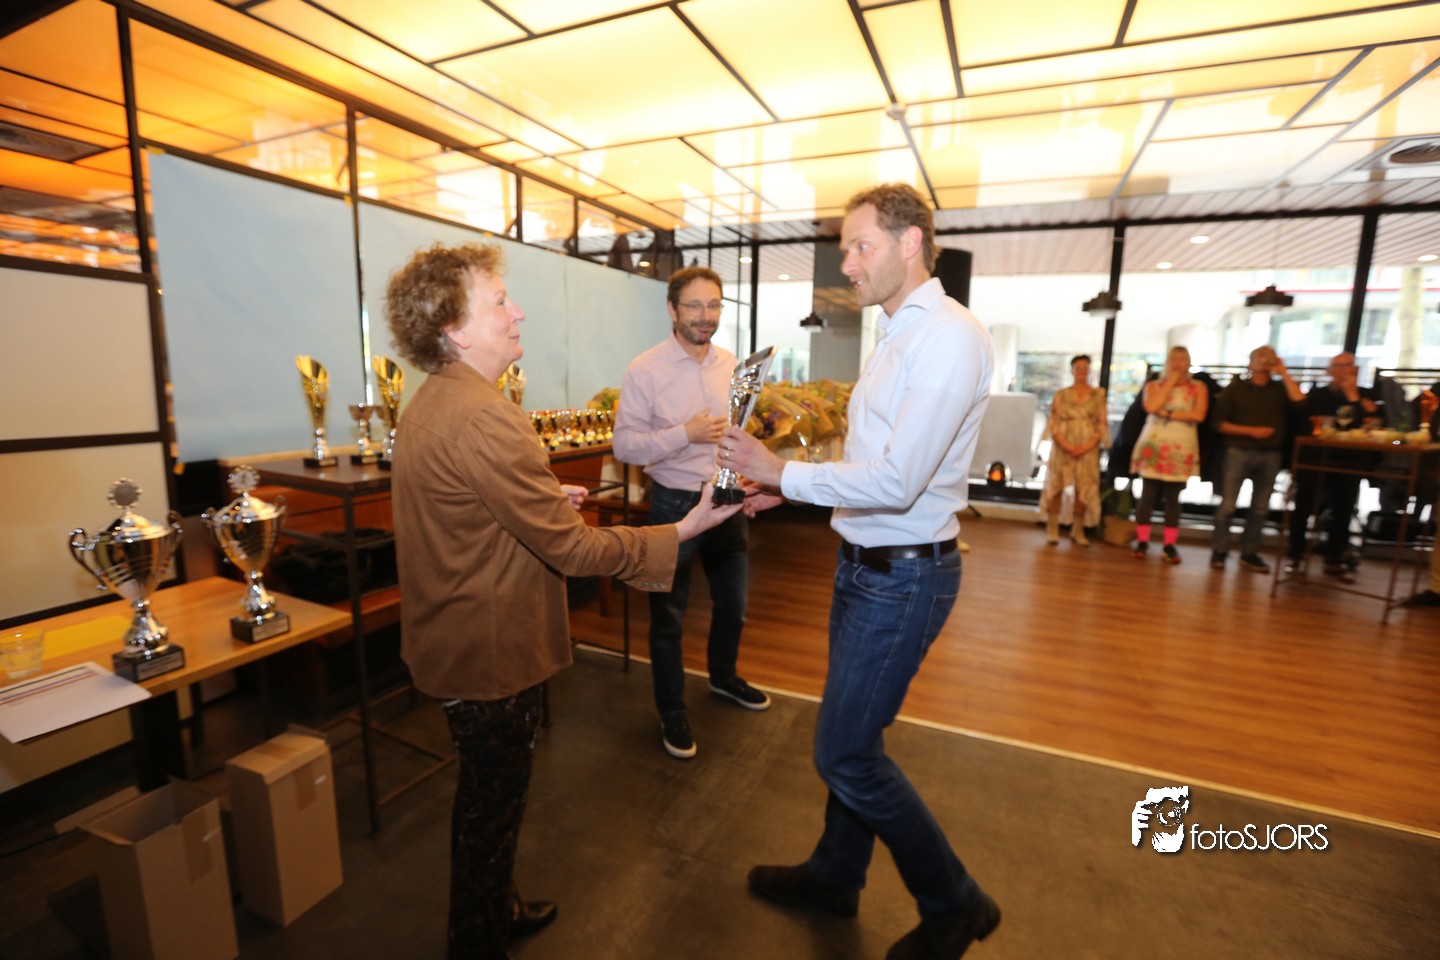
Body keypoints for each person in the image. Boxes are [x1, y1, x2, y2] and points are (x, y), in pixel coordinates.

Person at [385, 242, 741, 960]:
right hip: (489, 651)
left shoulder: (437, 401)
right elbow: (574, 553)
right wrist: (680, 531)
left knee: (486, 801)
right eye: (498, 301)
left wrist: (546, 497)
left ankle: (497, 906)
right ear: (454, 328)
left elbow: (469, 507)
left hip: (453, 637)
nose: (517, 311)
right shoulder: (485, 415)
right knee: (491, 808)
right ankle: (478, 940)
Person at [721, 183, 1000, 960]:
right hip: (866, 565)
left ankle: (954, 903)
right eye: (845, 248)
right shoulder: (901, 333)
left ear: (910, 243)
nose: (846, 263)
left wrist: (780, 471)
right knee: (857, 736)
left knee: (844, 752)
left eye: (859, 246)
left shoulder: (947, 337)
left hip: (902, 579)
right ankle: (836, 875)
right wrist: (792, 491)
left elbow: (900, 482)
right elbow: (871, 461)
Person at [612, 266, 770, 761]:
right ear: (672, 310)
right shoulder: (645, 369)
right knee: (668, 621)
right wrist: (686, 433)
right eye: (695, 305)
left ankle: (723, 678)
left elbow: (738, 432)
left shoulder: (733, 366)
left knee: (734, 607)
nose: (706, 315)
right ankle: (672, 711)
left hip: (726, 501)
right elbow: (625, 446)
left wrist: (752, 474)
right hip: (673, 506)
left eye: (715, 305)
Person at [1285, 352, 1382, 581]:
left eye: (1348, 365)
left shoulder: (1365, 395)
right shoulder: (1317, 394)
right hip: (1316, 459)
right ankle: (1295, 555)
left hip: (1349, 461)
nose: (1344, 370)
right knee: (1303, 507)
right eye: (1338, 366)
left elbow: (1371, 423)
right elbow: (1303, 419)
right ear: (1329, 370)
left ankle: (1334, 558)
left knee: (1343, 510)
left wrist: (1352, 395)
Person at [1209, 346, 1303, 572]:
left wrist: (1283, 372)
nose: (1264, 360)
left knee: (1260, 507)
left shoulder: (1280, 389)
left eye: (1269, 356)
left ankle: (1249, 553)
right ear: (1250, 362)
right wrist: (1250, 431)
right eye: (1260, 356)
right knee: (1228, 505)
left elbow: (1301, 403)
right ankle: (1219, 550)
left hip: (1271, 454)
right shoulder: (1235, 389)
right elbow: (1218, 423)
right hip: (1238, 451)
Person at [1130, 345, 1208, 564]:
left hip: (1181, 449)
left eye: (1182, 359)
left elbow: (1199, 414)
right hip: (1154, 447)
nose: (1177, 363)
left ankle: (1169, 545)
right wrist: (1170, 383)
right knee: (1148, 495)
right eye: (1173, 359)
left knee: (1174, 498)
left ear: (1188, 362)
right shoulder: (1153, 385)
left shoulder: (1199, 387)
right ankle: (1142, 541)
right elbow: (1151, 406)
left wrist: (1168, 413)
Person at [1038, 354, 1107, 546]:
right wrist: (1066, 444)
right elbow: (1054, 421)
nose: (1082, 371)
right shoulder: (1061, 395)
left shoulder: (1098, 395)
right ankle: (1053, 528)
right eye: (1078, 367)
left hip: (1088, 447)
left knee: (1084, 487)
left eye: (1085, 368)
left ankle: (1078, 530)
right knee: (1056, 485)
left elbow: (1102, 424)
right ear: (1072, 370)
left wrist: (1087, 446)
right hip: (1063, 445)